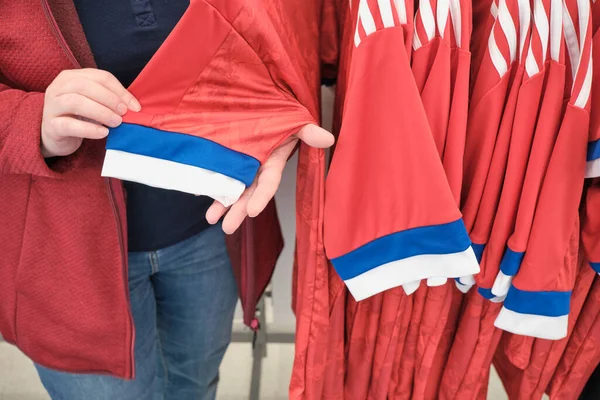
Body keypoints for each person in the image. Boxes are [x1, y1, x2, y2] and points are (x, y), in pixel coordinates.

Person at [0, 1, 333, 399]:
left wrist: (275, 111)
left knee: (196, 383)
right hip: (67, 257)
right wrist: (30, 121)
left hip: (212, 229)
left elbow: (283, 38)